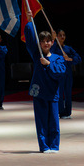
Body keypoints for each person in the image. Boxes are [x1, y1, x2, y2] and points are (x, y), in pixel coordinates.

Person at [25, 17, 65, 153]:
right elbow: (30, 40)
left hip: (53, 93)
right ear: (40, 44)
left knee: (54, 121)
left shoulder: (57, 58)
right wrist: (30, 22)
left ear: (52, 42)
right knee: (41, 121)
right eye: (42, 42)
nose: (46, 43)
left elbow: (60, 72)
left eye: (48, 41)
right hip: (39, 93)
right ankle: (44, 146)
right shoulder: (37, 55)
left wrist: (48, 64)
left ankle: (54, 145)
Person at [54, 29, 81, 119]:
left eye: (63, 35)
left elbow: (78, 58)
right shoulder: (54, 48)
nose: (62, 37)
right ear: (56, 37)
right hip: (58, 74)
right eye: (60, 35)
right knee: (59, 93)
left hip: (68, 74)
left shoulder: (68, 48)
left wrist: (70, 58)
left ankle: (68, 112)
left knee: (68, 93)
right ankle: (61, 112)